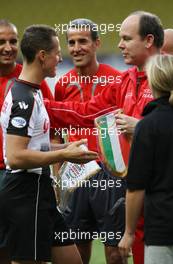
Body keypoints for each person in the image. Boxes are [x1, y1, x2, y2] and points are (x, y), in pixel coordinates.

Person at [44, 11, 164, 264]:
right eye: (71, 42)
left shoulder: (167, 78)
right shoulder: (126, 81)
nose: (119, 44)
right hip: (132, 189)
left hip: (162, 193)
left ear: (149, 41)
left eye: (126, 39)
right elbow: (85, 113)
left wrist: (140, 126)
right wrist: (38, 104)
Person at [0, 24, 98, 264]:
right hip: (25, 193)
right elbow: (15, 157)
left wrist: (69, 152)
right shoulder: (23, 98)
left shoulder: (33, 92)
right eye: (57, 52)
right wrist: (63, 153)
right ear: (42, 56)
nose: (61, 58)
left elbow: (34, 147)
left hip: (39, 191)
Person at [54, 18, 124, 264]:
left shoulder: (117, 79)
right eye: (71, 42)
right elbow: (56, 131)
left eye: (83, 41)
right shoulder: (62, 85)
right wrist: (57, 175)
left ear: (97, 43)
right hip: (74, 174)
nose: (76, 48)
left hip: (110, 174)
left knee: (115, 253)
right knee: (76, 252)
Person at [0, 19, 55, 263]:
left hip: (32, 180)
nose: (8, 47)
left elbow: (48, 131)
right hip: (18, 181)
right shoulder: (23, 92)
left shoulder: (34, 85)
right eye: (2, 41)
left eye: (13, 41)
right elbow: (15, 155)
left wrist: (64, 155)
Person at [118, 54, 173, 264]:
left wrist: (129, 233)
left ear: (152, 81)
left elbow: (136, 187)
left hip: (162, 227)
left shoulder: (147, 126)